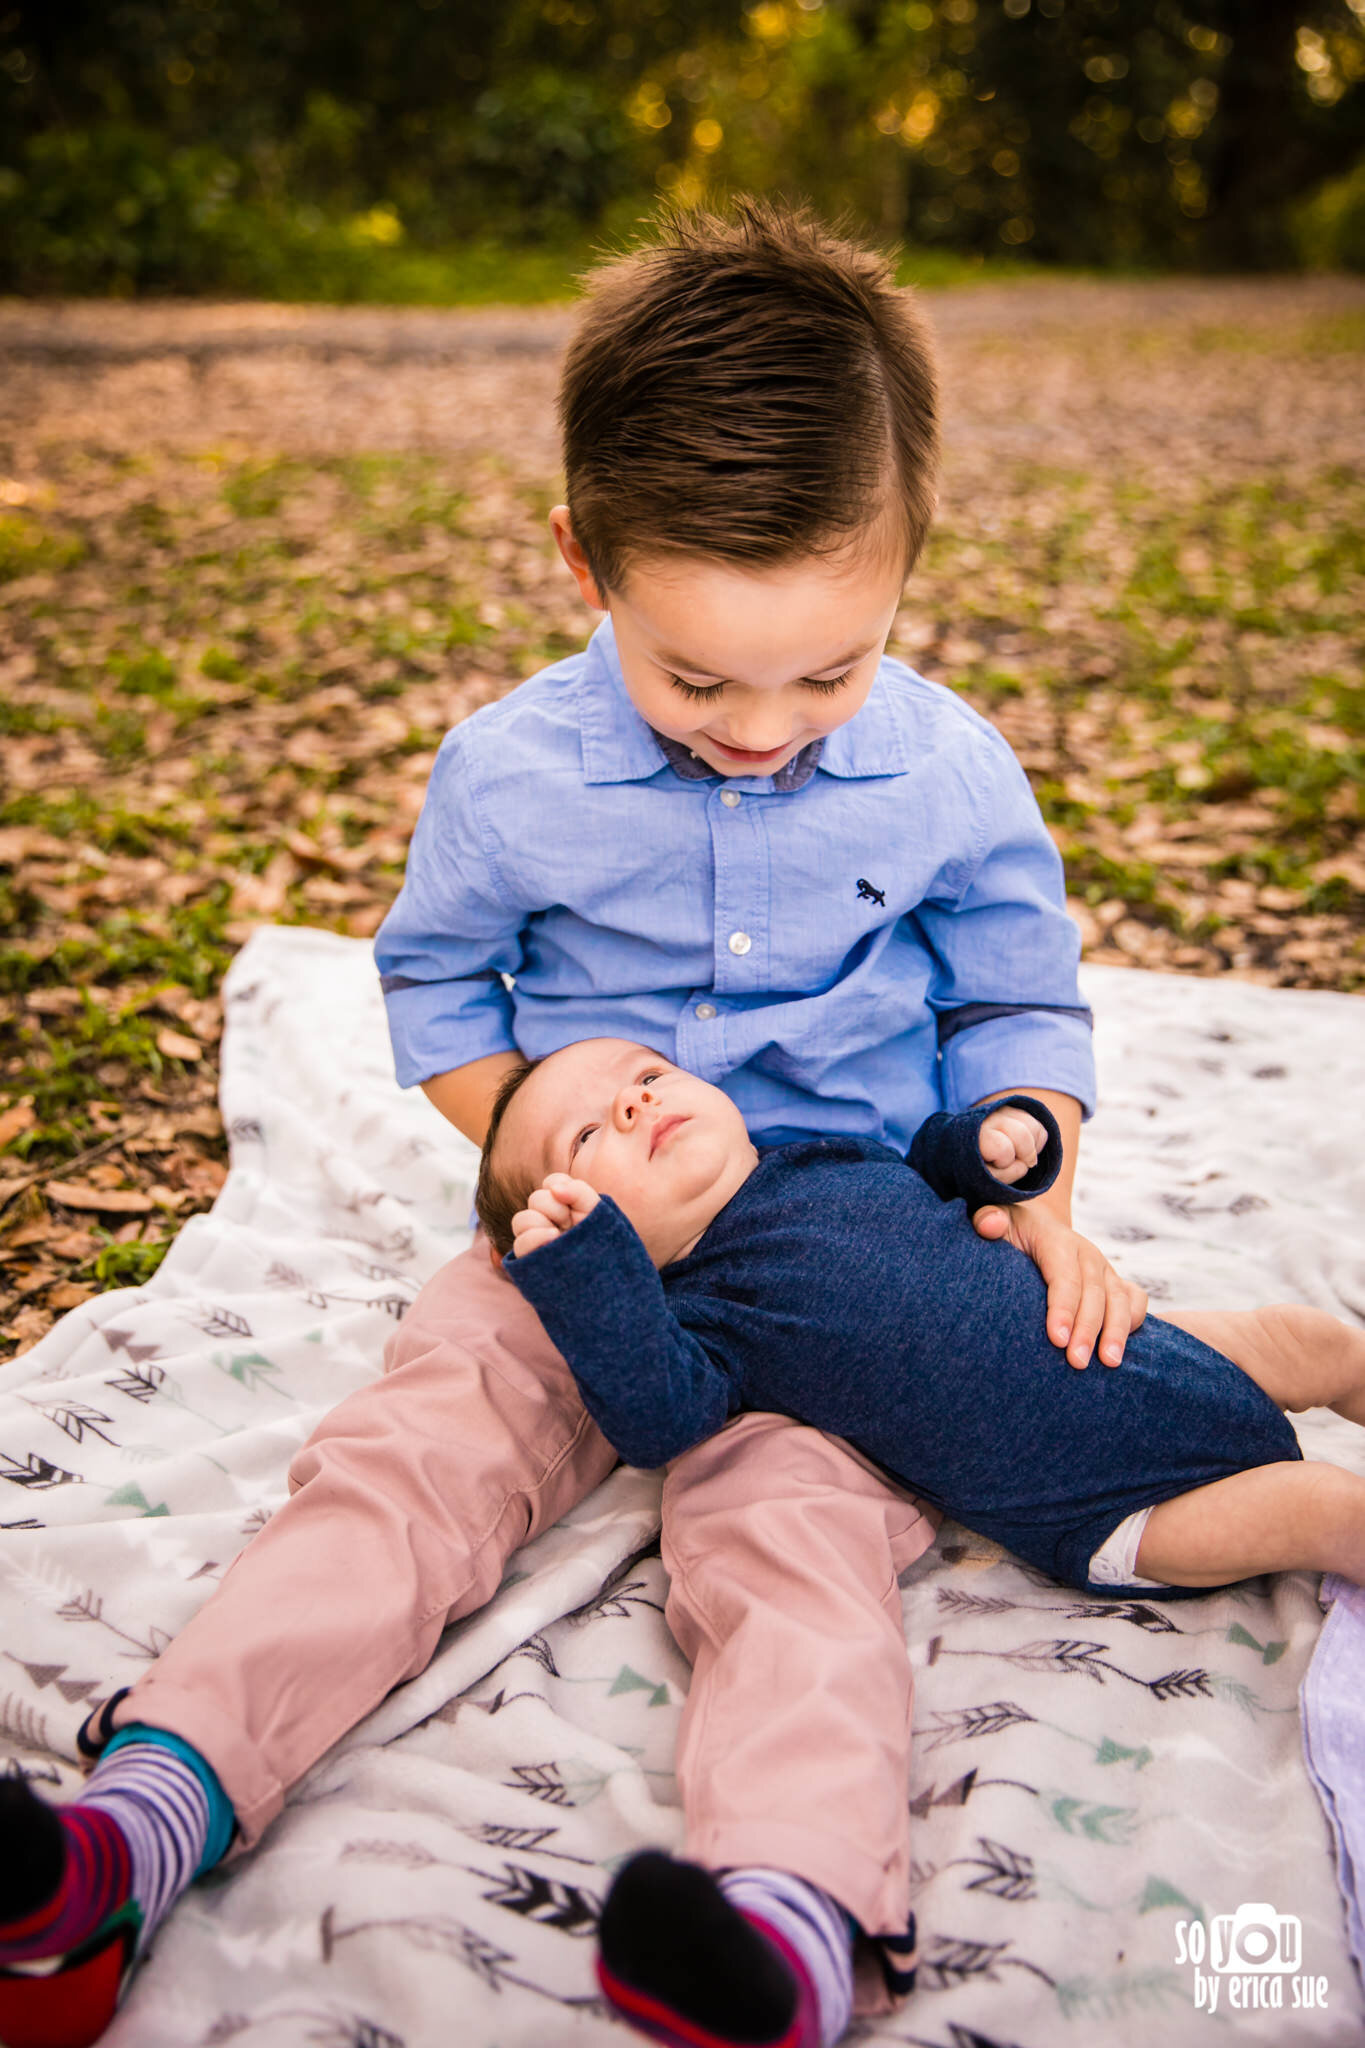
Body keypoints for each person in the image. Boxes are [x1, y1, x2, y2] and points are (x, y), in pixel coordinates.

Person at [0, 200, 1145, 2048]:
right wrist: (537, 1139)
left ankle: (778, 1912)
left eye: (827, 670)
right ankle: (135, 1823)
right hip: (579, 1230)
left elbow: (1018, 999)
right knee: (404, 1466)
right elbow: (440, 994)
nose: (764, 727)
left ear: (910, 566)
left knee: (798, 1545)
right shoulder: (509, 775)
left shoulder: (949, 768)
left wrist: (1028, 1156)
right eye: (698, 677)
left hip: (846, 1258)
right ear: (583, 563)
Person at [482, 1038, 1365, 1608]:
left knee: (1310, 1340)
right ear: (581, 1232)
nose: (635, 1103)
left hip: (1141, 1349)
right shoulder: (695, 1313)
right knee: (1326, 1505)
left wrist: (986, 1145)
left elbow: (926, 1174)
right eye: (586, 1137)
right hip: (1116, 1505)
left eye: (645, 1076)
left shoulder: (818, 1156)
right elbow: (657, 1421)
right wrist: (589, 1281)